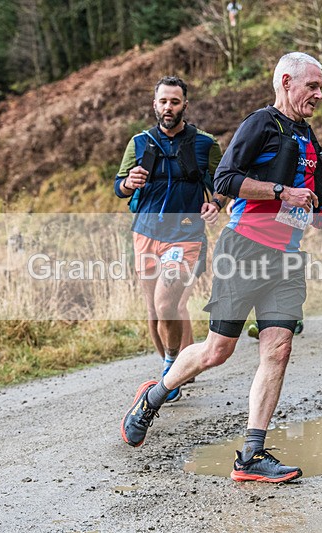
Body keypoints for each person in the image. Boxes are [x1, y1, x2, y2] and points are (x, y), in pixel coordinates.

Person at [121, 52, 322, 483]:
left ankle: (252, 455)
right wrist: (281, 192)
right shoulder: (261, 123)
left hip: (287, 259)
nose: (319, 94)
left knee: (278, 347)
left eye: (321, 87)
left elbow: (309, 200)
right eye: (312, 86)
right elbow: (224, 179)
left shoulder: (312, 140)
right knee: (216, 351)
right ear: (285, 81)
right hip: (243, 248)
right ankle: (154, 396)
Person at [114, 76, 226, 402]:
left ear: (185, 105)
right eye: (163, 101)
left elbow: (222, 183)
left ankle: (170, 370)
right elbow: (119, 186)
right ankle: (173, 370)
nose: (168, 107)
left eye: (175, 102)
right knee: (153, 310)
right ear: (155, 104)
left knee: (169, 302)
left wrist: (215, 203)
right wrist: (129, 183)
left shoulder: (205, 143)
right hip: (145, 233)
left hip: (186, 233)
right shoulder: (138, 142)